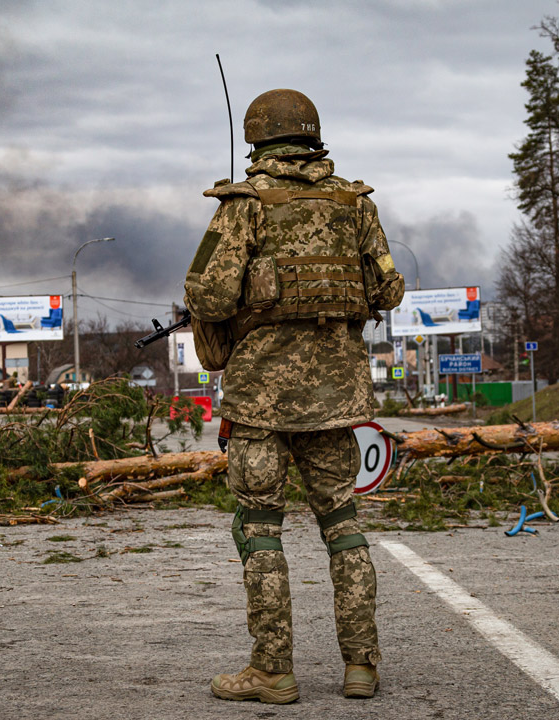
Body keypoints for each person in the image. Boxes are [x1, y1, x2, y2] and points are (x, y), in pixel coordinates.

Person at [184, 88, 405, 704]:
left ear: (257, 139)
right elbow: (388, 290)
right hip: (337, 396)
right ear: (313, 136)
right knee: (343, 524)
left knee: (260, 528)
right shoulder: (356, 204)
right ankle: (361, 665)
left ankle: (272, 670)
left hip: (259, 398)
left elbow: (208, 296)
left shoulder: (244, 205)